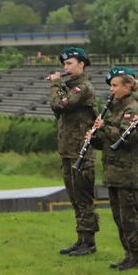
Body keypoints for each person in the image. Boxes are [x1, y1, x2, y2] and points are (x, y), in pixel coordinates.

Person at [92, 66, 138, 270]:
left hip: (128, 172)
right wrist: (95, 136)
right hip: (113, 171)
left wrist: (104, 127)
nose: (111, 90)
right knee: (118, 216)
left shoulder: (131, 109)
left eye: (115, 85)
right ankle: (128, 253)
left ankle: (137, 256)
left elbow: (127, 138)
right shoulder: (114, 109)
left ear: (127, 86)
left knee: (129, 216)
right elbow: (106, 142)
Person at [49, 46, 99, 256]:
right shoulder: (70, 87)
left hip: (81, 151)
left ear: (81, 64)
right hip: (68, 151)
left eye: (69, 63)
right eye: (64, 64)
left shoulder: (83, 88)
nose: (65, 67)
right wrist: (60, 86)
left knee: (83, 196)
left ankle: (89, 241)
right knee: (74, 196)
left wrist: (55, 84)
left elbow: (60, 105)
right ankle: (81, 238)